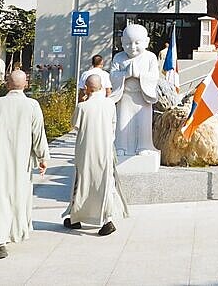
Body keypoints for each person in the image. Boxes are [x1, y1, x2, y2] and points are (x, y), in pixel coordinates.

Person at [0, 69, 50, 259]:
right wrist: (42, 157)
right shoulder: (32, 105)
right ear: (26, 84)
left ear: (7, 84)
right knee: (18, 195)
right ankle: (15, 232)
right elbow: (38, 134)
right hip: (21, 162)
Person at [63, 74, 129, 236]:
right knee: (105, 183)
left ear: (87, 88)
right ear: (100, 87)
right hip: (105, 149)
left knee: (82, 183)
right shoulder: (109, 104)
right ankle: (107, 219)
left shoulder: (82, 107)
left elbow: (75, 125)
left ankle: (76, 216)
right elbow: (113, 125)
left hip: (86, 150)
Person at [107, 24, 160, 157]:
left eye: (137, 43)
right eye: (128, 43)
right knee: (122, 122)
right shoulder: (119, 58)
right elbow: (112, 75)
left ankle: (143, 146)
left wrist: (139, 75)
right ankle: (121, 146)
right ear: (122, 43)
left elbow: (154, 76)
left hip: (143, 97)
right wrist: (125, 74)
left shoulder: (150, 57)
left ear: (146, 42)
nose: (133, 47)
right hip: (125, 96)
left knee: (143, 124)